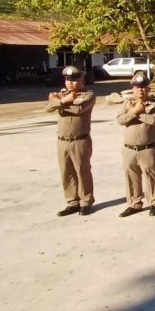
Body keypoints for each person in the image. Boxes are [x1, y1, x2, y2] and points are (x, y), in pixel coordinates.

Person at [46, 65, 97, 216]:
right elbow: (47, 108)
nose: (70, 83)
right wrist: (64, 101)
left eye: (74, 80)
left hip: (79, 140)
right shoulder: (63, 94)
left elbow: (78, 109)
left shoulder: (88, 95)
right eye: (68, 80)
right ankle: (72, 202)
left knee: (82, 171)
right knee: (66, 172)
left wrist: (58, 102)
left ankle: (86, 201)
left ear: (82, 80)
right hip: (62, 141)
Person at [116, 71, 155, 217]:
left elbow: (154, 120)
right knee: (131, 177)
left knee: (151, 176)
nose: (140, 90)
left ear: (148, 88)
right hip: (129, 149)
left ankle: (154, 202)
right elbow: (120, 120)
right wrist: (134, 111)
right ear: (133, 89)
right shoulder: (127, 103)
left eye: (143, 87)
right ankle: (134, 203)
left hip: (148, 148)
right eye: (137, 87)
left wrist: (135, 112)